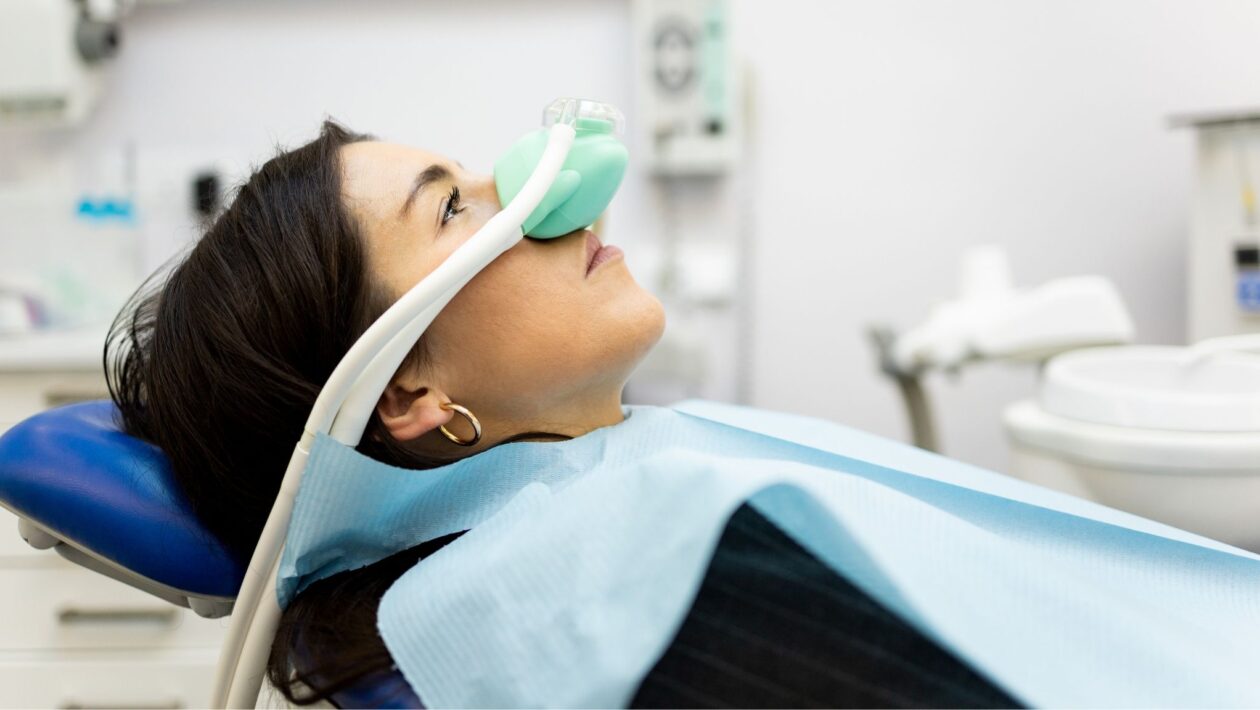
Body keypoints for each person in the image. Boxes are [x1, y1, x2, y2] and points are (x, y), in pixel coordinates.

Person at [106, 122, 1020, 708]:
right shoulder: (617, 594)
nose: (538, 195)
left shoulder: (635, 504)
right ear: (409, 394)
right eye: (454, 207)